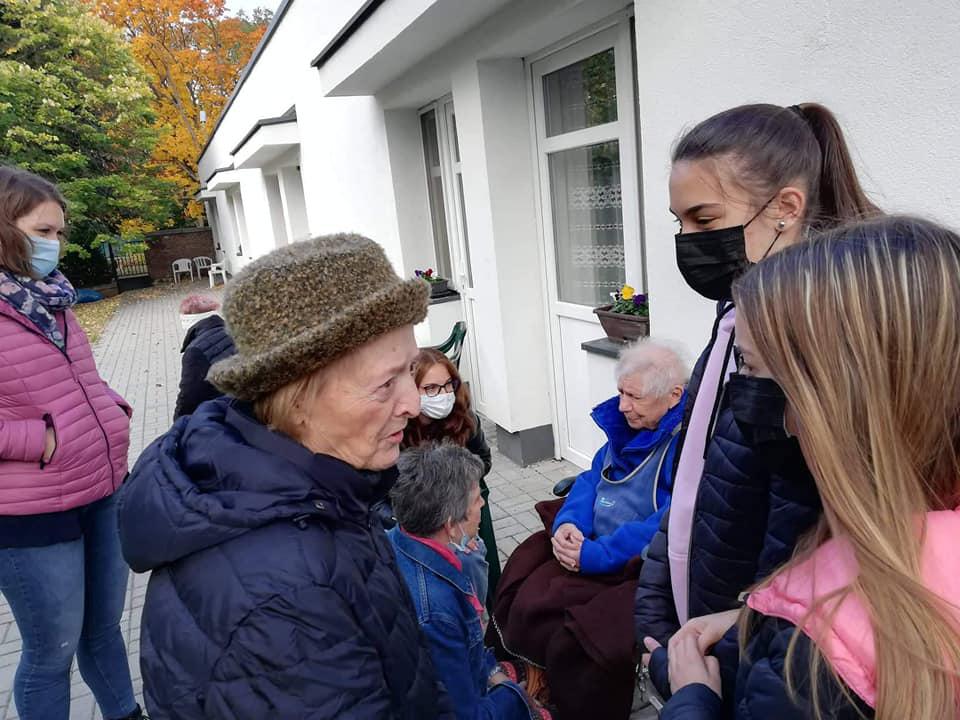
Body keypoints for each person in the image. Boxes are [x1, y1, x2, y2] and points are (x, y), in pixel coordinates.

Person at [117, 234, 454, 719]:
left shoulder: (318, 491)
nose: (414, 403)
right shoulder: (285, 599)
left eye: (411, 371)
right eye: (386, 383)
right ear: (297, 399)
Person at [647, 216, 960, 718]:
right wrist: (757, 620)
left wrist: (693, 699)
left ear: (839, 397)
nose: (743, 394)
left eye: (750, 367)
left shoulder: (811, 665)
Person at [634, 103, 881, 701]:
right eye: (680, 222)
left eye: (705, 218)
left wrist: (721, 655)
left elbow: (804, 543)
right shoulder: (734, 319)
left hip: (747, 656)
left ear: (786, 208)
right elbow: (698, 476)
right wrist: (658, 602)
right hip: (704, 630)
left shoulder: (821, 353)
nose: (688, 242)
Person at [0, 166, 141, 720]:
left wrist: (110, 407)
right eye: (43, 231)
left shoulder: (51, 298)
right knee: (50, 653)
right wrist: (40, 440)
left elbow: (75, 379)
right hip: (32, 515)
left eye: (59, 232)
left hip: (100, 489)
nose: (54, 244)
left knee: (104, 630)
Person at [489, 339, 689, 720]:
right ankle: (528, 673)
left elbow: (667, 521)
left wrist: (595, 555)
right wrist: (569, 523)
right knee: (523, 573)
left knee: (578, 632)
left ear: (674, 396)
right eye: (621, 392)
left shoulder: (684, 448)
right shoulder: (625, 428)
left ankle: (561, 700)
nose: (623, 405)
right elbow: (589, 481)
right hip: (589, 544)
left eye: (634, 396)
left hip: (632, 563)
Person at [389, 442, 546, 720]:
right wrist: (516, 698)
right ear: (451, 525)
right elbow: (465, 715)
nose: (483, 503)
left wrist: (496, 675)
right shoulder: (436, 611)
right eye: (476, 499)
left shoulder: (395, 539)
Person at [403, 348, 501, 606]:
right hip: (425, 519)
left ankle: (495, 618)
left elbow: (484, 459)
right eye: (431, 388)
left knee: (482, 567)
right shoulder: (399, 430)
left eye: (448, 385)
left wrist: (462, 484)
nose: (444, 394)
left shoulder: (465, 419)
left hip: (467, 506)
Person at [173, 309, 235, 419]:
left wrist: (178, 424)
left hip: (224, 415)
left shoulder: (195, 351)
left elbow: (188, 398)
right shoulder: (237, 332)